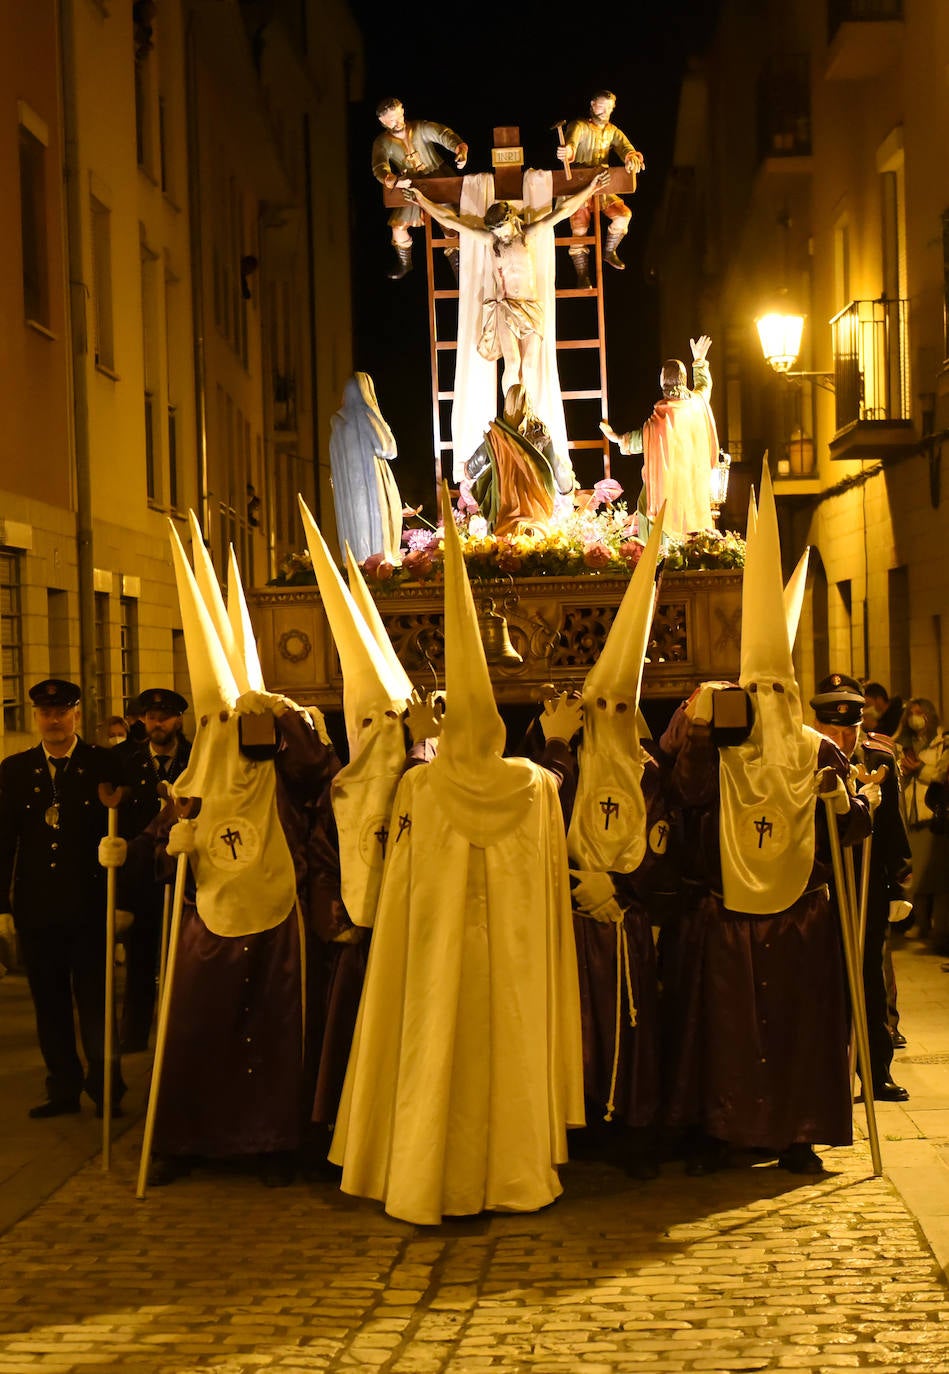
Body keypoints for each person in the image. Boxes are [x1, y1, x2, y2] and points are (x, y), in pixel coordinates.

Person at [329, 487, 585, 1225]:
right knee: (502, 1045)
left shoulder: (421, 785)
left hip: (436, 958)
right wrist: (559, 739)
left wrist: (417, 741)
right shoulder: (533, 784)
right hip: (507, 962)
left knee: (432, 1044)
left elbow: (395, 864)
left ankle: (423, 1173)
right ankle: (510, 1173)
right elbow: (553, 812)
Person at [658, 466, 872, 1176]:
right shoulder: (715, 747)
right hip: (727, 915)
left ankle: (796, 1132)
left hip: (800, 919)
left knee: (799, 1032)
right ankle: (726, 1131)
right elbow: (681, 800)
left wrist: (844, 806)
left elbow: (855, 831)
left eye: (780, 688)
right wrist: (694, 731)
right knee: (725, 1032)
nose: (770, 700)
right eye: (759, 689)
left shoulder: (816, 750)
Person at [144, 527, 340, 1188]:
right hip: (211, 918)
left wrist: (281, 717)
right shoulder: (196, 763)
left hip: (275, 908)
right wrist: (155, 841)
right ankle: (188, 1140)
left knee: (273, 1029)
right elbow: (166, 834)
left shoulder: (278, 755)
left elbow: (320, 775)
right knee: (198, 1027)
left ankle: (272, 1143)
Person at [0, 679, 126, 1118]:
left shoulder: (102, 765)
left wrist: (122, 891)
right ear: (37, 717)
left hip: (89, 904)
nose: (53, 720)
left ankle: (106, 1086)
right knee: (49, 1002)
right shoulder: (15, 771)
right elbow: (3, 842)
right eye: (45, 713)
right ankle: (63, 1088)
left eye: (61, 712)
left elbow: (124, 827)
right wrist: (2, 906)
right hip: (37, 909)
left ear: (76, 714)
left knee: (95, 1000)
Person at [405, 168, 611, 396]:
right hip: (506, 307)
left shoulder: (528, 235)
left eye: (502, 231)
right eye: (497, 233)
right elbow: (450, 221)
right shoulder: (491, 241)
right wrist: (422, 201)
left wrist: (591, 188)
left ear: (511, 219)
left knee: (530, 365)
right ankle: (513, 417)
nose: (501, 237)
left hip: (531, 306)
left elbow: (563, 211)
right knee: (513, 364)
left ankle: (529, 416)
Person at [810, 673, 911, 1102]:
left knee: (870, 975)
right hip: (822, 883)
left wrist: (900, 886)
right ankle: (829, 1068)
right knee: (825, 979)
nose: (842, 738)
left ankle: (875, 1069)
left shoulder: (878, 755)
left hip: (867, 881)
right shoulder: (808, 756)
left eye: (849, 730)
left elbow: (893, 827)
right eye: (833, 729)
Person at [113, 687, 191, 1053]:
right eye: (151, 716)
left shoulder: (197, 758)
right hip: (141, 880)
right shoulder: (124, 762)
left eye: (165, 716)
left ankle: (180, 1034)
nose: (158, 723)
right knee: (141, 959)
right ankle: (134, 1033)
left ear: (178, 720)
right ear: (142, 719)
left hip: (187, 878)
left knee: (185, 962)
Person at [600, 335, 718, 540]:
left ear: (663, 383)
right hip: (691, 485)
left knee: (650, 511)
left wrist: (618, 438)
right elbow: (704, 386)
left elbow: (642, 439)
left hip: (667, 486)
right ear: (683, 380)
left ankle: (655, 561)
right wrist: (699, 361)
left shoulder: (661, 418)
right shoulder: (698, 404)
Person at [371, 97, 468, 280]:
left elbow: (442, 134)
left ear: (403, 112)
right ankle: (404, 263)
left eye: (398, 117)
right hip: (411, 186)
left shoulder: (420, 128)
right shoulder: (382, 143)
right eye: (391, 120)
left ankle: (460, 273)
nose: (397, 122)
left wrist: (458, 148)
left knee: (450, 225)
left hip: (437, 179)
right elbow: (379, 166)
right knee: (398, 227)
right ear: (383, 121)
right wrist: (392, 179)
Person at [556, 90, 645, 283]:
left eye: (609, 108)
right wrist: (568, 152)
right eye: (601, 106)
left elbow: (626, 148)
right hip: (579, 186)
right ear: (592, 104)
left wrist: (631, 159)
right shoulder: (579, 125)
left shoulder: (612, 131)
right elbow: (571, 143)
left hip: (602, 184)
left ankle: (610, 250)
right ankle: (582, 275)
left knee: (623, 215)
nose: (604, 111)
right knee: (580, 229)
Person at [328, 374, 404, 566]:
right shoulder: (365, 415)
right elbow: (388, 448)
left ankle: (360, 565)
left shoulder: (338, 425)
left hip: (350, 500)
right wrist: (379, 418)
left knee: (359, 541)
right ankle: (379, 566)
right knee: (379, 537)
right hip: (372, 491)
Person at [464, 385, 559, 537]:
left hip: (505, 506)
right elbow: (555, 466)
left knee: (503, 544)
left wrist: (468, 470)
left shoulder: (497, 435)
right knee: (537, 541)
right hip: (535, 505)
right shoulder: (540, 434)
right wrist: (567, 487)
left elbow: (476, 463)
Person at [895, 698, 949, 948]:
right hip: (910, 816)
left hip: (932, 816)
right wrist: (904, 773)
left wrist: (919, 768)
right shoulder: (902, 745)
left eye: (920, 713)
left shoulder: (941, 743)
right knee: (914, 877)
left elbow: (940, 775)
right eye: (911, 713)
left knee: (935, 877)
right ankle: (919, 922)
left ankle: (938, 929)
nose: (915, 718)